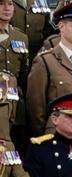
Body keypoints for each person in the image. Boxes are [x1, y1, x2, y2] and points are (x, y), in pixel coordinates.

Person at [26, 1, 72, 157]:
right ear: (61, 25)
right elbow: (36, 108)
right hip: (57, 136)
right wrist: (46, 133)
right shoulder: (45, 61)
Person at [0, 0, 29, 154]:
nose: (6, 8)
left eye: (10, 4)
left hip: (16, 108)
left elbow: (24, 74)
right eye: (1, 4)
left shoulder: (21, 37)